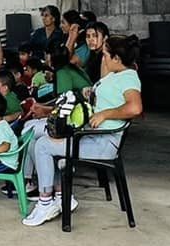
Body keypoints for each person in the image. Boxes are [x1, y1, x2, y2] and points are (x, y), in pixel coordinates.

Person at [27, 32, 143, 228]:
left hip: (102, 143)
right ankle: (60, 195)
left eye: (106, 55)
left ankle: (45, 202)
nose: (103, 59)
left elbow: (135, 108)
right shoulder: (115, 75)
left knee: (43, 146)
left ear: (116, 58)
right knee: (36, 136)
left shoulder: (128, 78)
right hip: (90, 135)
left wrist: (105, 114)